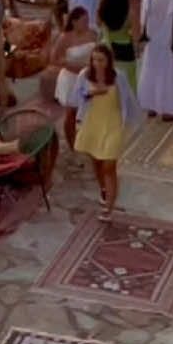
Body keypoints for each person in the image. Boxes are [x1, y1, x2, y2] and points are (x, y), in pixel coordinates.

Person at [72, 44, 143, 220]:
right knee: (96, 160)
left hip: (113, 124)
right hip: (92, 123)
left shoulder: (119, 77)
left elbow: (128, 100)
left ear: (109, 61)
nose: (97, 64)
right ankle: (103, 188)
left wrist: (132, 123)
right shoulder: (84, 75)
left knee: (109, 166)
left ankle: (109, 208)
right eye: (94, 59)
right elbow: (77, 97)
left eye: (101, 60)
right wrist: (92, 92)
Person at [97, 0, 137, 93]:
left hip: (105, 47)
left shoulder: (102, 12)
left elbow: (99, 25)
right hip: (125, 50)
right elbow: (136, 35)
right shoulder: (130, 14)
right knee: (128, 83)